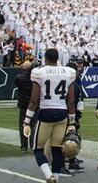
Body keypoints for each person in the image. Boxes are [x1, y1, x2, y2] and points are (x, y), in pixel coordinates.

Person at [23, 48, 77, 183]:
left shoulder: (39, 72)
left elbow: (34, 100)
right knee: (57, 149)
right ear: (57, 58)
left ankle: (49, 176)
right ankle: (56, 178)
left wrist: (27, 120)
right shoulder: (69, 72)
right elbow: (71, 100)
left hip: (46, 112)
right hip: (62, 114)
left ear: (45, 58)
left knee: (37, 148)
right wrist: (72, 121)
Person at [15, 61, 33, 153]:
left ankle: (24, 146)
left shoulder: (19, 78)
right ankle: (33, 145)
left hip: (23, 104)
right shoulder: (34, 78)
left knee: (23, 125)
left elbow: (17, 84)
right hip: (33, 104)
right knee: (33, 125)